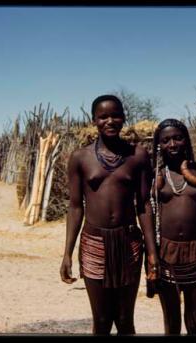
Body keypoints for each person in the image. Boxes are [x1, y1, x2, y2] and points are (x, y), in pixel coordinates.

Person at [59, 95, 159, 335]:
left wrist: (152, 251)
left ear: (124, 118)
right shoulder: (80, 158)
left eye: (115, 115)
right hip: (94, 243)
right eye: (103, 116)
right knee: (102, 321)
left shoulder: (138, 155)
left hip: (129, 243)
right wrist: (67, 253)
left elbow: (144, 205)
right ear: (94, 120)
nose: (110, 121)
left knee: (125, 321)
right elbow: (75, 207)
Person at [148, 119, 196, 335]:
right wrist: (150, 258)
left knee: (194, 322)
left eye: (178, 138)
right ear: (159, 145)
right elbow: (148, 218)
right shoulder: (156, 176)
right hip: (165, 254)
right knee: (171, 323)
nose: (173, 144)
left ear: (186, 140)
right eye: (166, 140)